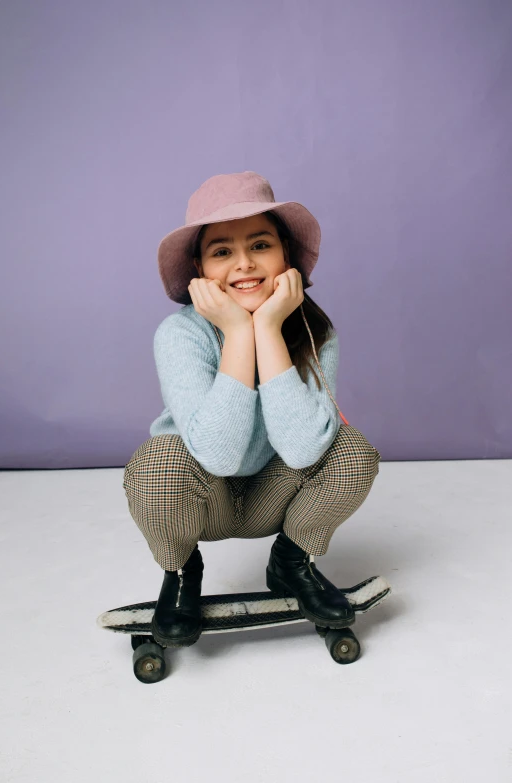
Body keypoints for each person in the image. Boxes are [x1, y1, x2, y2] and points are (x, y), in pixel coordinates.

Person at [123, 171, 381, 649]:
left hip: (276, 494)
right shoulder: (181, 335)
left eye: (260, 245)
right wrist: (237, 334)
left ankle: (291, 562)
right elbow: (218, 457)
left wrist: (267, 329)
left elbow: (305, 450)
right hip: (204, 499)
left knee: (352, 452)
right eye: (222, 251)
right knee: (153, 463)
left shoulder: (315, 330)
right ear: (199, 269)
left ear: (285, 255)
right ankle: (181, 572)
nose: (243, 264)